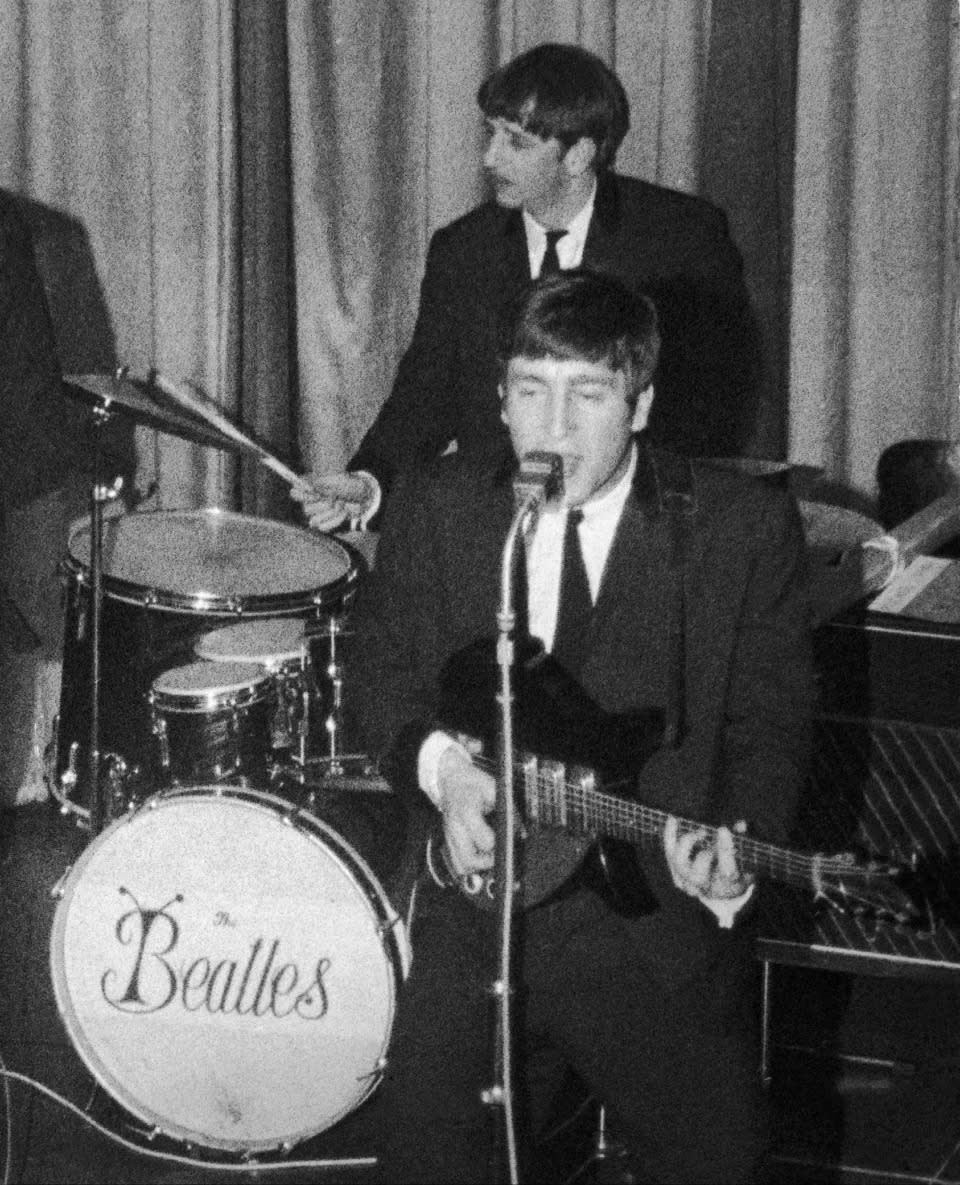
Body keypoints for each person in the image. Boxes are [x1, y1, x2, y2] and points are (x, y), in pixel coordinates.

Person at [348, 269, 814, 1183]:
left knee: (722, 1164)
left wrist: (740, 838)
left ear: (639, 405)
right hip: (476, 908)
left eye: (587, 395)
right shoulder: (438, 503)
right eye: (530, 391)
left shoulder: (738, 528)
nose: (553, 428)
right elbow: (383, 673)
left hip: (647, 923)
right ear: (499, 397)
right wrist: (444, 773)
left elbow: (773, 724)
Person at [292, 41, 761, 533]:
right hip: (495, 530)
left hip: (636, 527)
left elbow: (715, 403)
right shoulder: (462, 249)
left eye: (516, 142)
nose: (489, 158)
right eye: (491, 134)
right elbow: (425, 394)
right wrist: (370, 482)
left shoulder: (681, 237)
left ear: (578, 155)